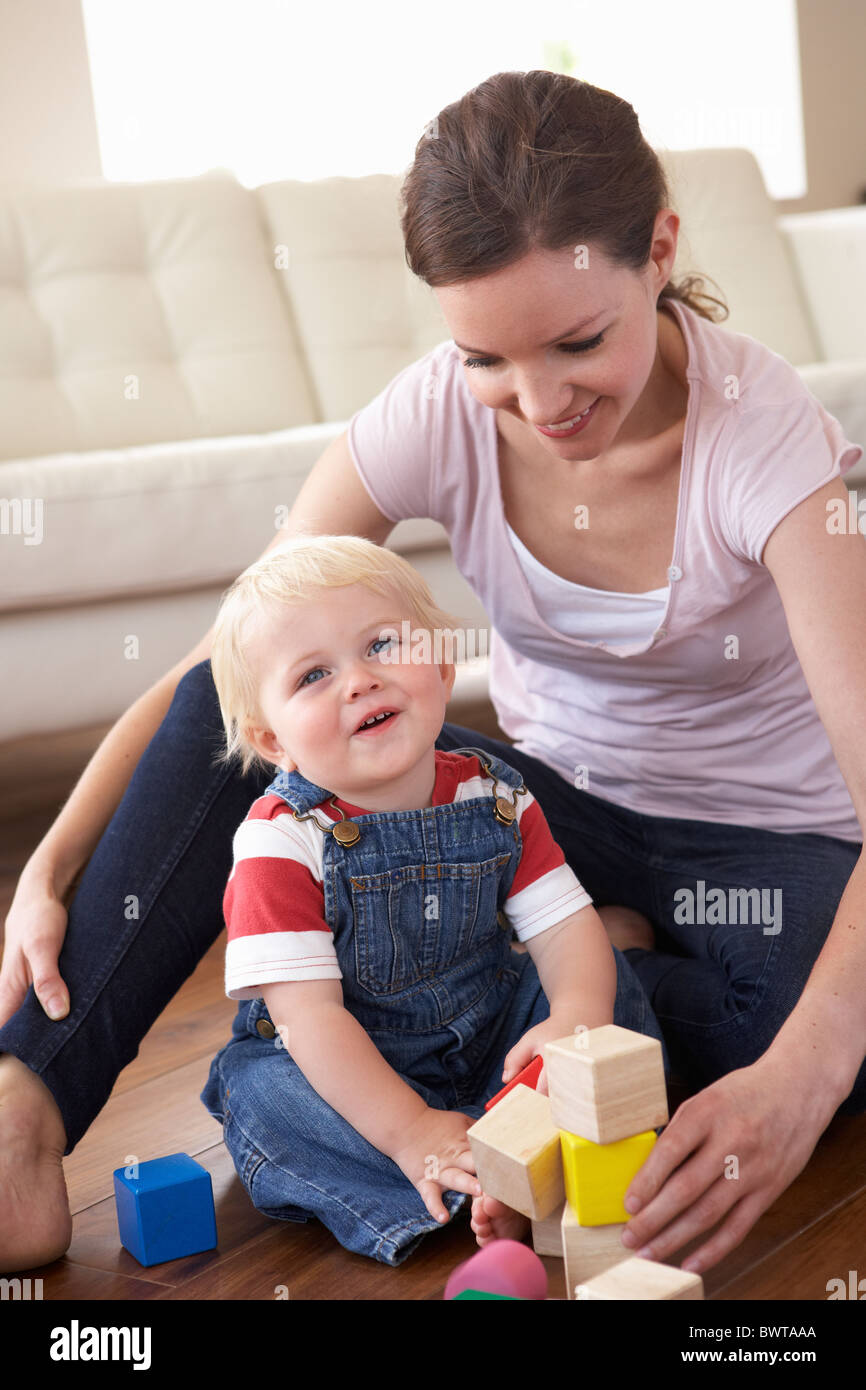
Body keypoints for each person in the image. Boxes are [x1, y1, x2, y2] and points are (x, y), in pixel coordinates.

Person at [1, 69, 865, 1277]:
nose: (539, 402)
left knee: (826, 1016)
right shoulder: (431, 414)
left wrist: (801, 1075)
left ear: (656, 250)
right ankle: (24, 1107)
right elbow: (227, 655)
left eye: (578, 342)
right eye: (487, 360)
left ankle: (584, 982)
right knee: (271, 692)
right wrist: (51, 861)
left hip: (764, 850)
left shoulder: (762, 437)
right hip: (541, 812)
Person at [198, 532, 667, 1263]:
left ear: (443, 664)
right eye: (314, 675)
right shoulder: (281, 840)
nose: (359, 681)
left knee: (606, 990)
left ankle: (517, 1156)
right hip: (348, 1065)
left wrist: (574, 1018)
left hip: (489, 1033)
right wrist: (412, 1128)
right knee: (267, 1100)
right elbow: (311, 1019)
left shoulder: (498, 794)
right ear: (273, 741)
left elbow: (563, 924)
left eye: (382, 645)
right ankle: (471, 1173)